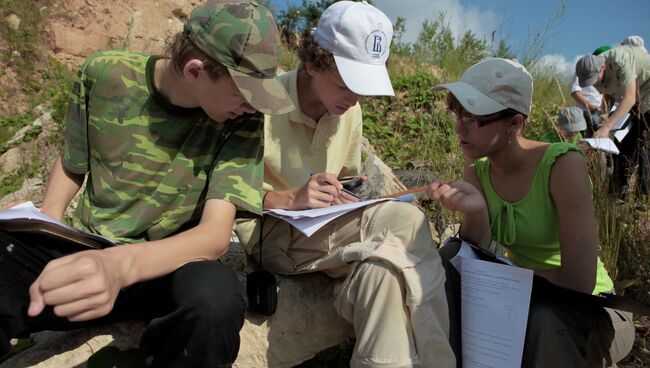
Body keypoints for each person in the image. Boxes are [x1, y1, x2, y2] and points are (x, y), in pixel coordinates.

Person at [0, 1, 293, 366]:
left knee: (216, 299)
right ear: (195, 70)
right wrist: (45, 224)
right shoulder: (103, 74)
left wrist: (119, 267)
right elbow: (74, 162)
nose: (253, 106)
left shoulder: (242, 121)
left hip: (168, 268)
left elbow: (215, 235)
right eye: (246, 93)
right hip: (88, 253)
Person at [235, 1, 454, 367]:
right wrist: (287, 198)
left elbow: (347, 176)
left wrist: (350, 190)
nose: (355, 97)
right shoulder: (264, 105)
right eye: (346, 84)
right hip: (270, 234)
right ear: (312, 61)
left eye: (362, 87)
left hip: (326, 236)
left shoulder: (349, 112)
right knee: (408, 222)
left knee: (380, 276)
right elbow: (227, 195)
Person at [426, 58, 635, 367]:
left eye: (473, 118)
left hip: (591, 308)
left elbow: (579, 280)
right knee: (448, 260)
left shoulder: (562, 164)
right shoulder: (478, 165)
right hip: (519, 299)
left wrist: (500, 280)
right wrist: (478, 212)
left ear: (515, 123)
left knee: (545, 319)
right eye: (457, 114)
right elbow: (473, 254)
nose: (459, 128)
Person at [576, 44, 650, 198]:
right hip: (636, 101)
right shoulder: (598, 74)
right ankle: (617, 193)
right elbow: (608, 95)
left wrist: (607, 127)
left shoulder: (621, 60)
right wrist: (605, 118)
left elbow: (629, 98)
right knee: (620, 142)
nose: (595, 85)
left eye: (595, 80)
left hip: (646, 95)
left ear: (603, 67)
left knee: (644, 144)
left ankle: (642, 196)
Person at [570, 45, 612, 136]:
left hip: (599, 111)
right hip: (585, 110)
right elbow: (575, 92)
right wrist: (592, 108)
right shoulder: (583, 69)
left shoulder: (606, 75)